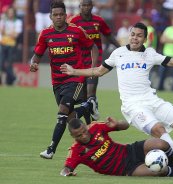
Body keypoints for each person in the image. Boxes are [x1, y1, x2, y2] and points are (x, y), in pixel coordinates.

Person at [60, 22, 173, 174]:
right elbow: (98, 71)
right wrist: (74, 72)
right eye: (133, 35)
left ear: (145, 38)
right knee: (159, 130)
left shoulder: (149, 54)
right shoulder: (119, 53)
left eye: (139, 36)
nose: (135, 38)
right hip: (133, 106)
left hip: (152, 100)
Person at [29, 1, 98, 159]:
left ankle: (51, 149)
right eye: (55, 15)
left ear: (66, 16)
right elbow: (38, 54)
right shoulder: (46, 34)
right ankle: (88, 107)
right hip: (57, 82)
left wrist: (93, 69)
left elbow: (92, 46)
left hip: (76, 78)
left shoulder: (76, 31)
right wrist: (34, 63)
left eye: (61, 14)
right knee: (70, 118)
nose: (59, 17)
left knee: (62, 113)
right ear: (50, 16)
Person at [60, 118, 173, 176]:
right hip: (126, 169)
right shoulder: (75, 151)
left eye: (84, 131)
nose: (84, 135)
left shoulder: (95, 127)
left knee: (161, 143)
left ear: (86, 127)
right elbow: (66, 169)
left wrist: (117, 124)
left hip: (130, 150)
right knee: (157, 171)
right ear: (73, 136)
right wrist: (67, 173)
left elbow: (125, 125)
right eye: (79, 135)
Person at [68, 0, 121, 122]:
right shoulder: (73, 21)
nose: (85, 8)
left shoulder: (99, 20)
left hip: (95, 59)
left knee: (90, 93)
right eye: (83, 5)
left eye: (88, 5)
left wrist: (121, 48)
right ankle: (90, 123)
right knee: (84, 98)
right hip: (79, 61)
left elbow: (109, 36)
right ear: (79, 7)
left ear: (92, 6)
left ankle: (91, 112)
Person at [0, 6, 22, 85]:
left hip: (11, 45)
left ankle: (11, 80)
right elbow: (2, 32)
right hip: (3, 44)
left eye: (12, 13)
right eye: (9, 13)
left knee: (9, 64)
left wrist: (7, 32)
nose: (10, 14)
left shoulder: (18, 22)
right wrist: (10, 33)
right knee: (1, 64)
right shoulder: (3, 21)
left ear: (14, 14)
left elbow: (15, 35)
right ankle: (14, 78)